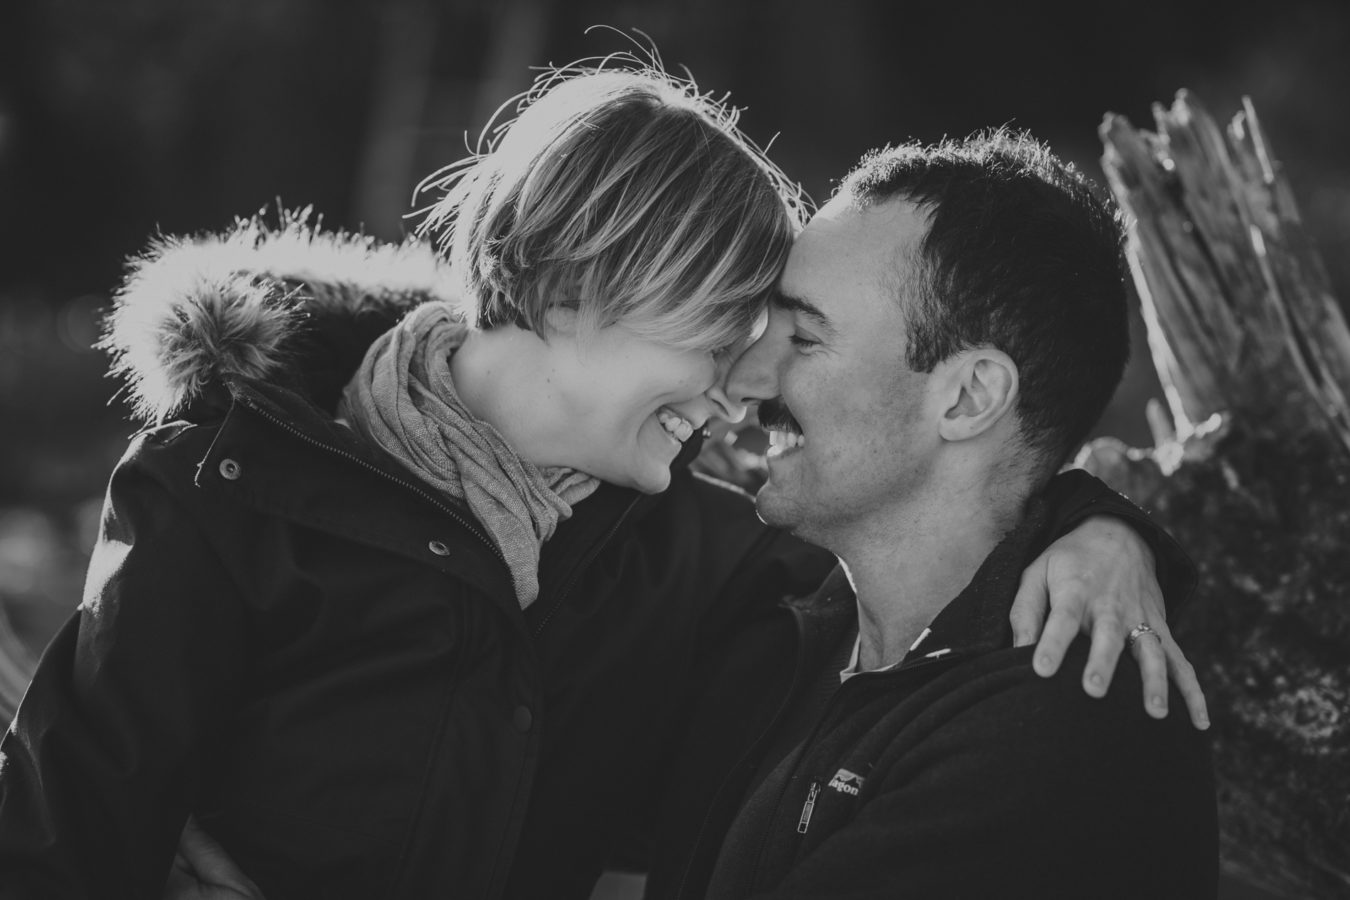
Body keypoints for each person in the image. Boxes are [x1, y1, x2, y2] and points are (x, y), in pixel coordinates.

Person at [0, 64, 1196, 900]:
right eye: (724, 333)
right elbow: (60, 841)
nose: (744, 385)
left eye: (789, 335)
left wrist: (1101, 525)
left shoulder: (696, 549)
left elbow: (955, 528)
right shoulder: (226, 490)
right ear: (574, 288)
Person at [645, 131, 1217, 900]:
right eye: (760, 326)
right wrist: (1106, 523)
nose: (742, 377)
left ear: (969, 397)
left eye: (806, 337)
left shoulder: (1054, 733)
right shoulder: (787, 623)